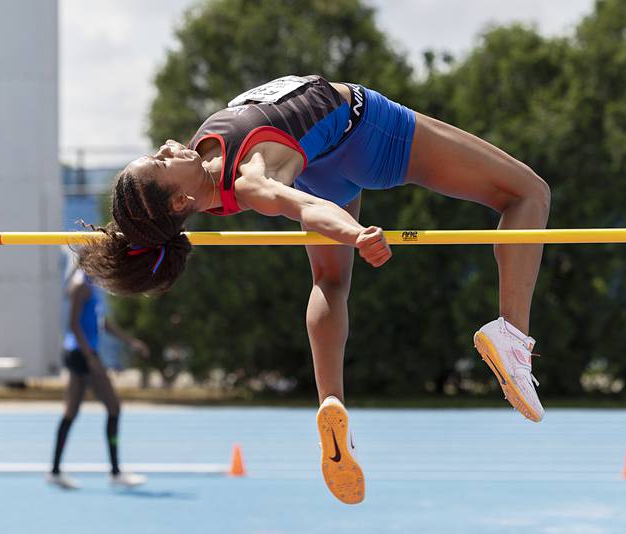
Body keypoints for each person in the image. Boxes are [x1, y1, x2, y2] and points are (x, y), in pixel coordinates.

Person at [79, 75, 550, 503]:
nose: (166, 145)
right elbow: (304, 207)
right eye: (162, 161)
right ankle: (512, 333)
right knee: (527, 193)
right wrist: (353, 234)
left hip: (320, 162)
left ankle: (331, 402)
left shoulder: (204, 165)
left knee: (329, 281)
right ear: (181, 200)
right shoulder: (250, 180)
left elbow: (300, 194)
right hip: (366, 132)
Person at [46, 265, 150, 490]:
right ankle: (115, 472)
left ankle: (55, 471)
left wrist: (129, 341)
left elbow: (102, 323)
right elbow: (73, 325)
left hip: (82, 353)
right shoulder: (81, 285)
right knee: (113, 408)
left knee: (71, 413)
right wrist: (90, 358)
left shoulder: (93, 283)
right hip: (82, 354)